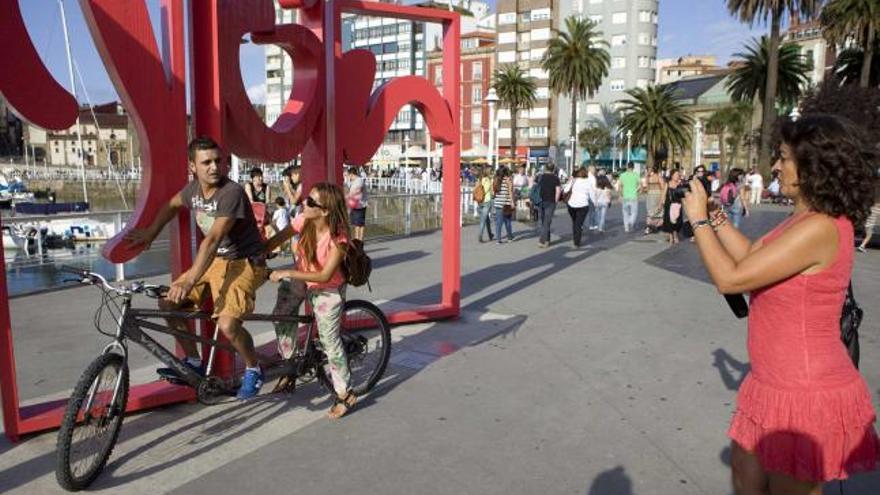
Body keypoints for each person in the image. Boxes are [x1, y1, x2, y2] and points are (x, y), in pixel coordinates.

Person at [682, 114, 879, 495]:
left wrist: (697, 223)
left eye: (783, 158)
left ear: (811, 167)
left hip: (803, 389)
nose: (775, 166)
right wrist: (715, 215)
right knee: (745, 478)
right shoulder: (799, 220)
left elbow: (731, 279)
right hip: (771, 382)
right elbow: (748, 261)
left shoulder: (821, 227)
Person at [125, 137, 267, 399]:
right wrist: (150, 233)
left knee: (227, 325)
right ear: (193, 166)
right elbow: (171, 205)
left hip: (246, 262)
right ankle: (193, 362)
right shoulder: (193, 191)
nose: (214, 167)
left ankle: (253, 367)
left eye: (218, 161)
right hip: (217, 262)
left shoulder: (231, 192)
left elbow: (212, 240)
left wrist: (188, 281)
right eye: (206, 162)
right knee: (169, 303)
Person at [265, 183, 357, 419]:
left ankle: (345, 393)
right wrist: (258, 252)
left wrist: (288, 273)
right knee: (282, 317)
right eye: (307, 199)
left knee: (329, 340)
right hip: (302, 278)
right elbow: (279, 239)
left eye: (312, 202)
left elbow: (325, 275)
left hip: (327, 288)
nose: (305, 203)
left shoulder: (338, 237)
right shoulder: (303, 220)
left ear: (325, 211)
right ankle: (290, 367)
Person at [564, 167, 590, 247]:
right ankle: (577, 242)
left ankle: (576, 238)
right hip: (583, 205)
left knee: (575, 222)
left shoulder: (574, 180)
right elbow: (591, 193)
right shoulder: (588, 182)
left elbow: (565, 190)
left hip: (572, 204)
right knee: (579, 223)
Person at [537, 162, 561, 247]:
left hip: (541, 201)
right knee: (547, 222)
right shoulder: (556, 178)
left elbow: (536, 187)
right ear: (553, 169)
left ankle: (545, 240)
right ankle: (544, 240)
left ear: (546, 168)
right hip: (551, 202)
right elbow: (558, 191)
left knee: (544, 221)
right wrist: (556, 201)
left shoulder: (540, 177)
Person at [660, 169, 684, 244]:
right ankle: (671, 237)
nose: (677, 176)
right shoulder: (667, 183)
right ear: (672, 175)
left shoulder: (680, 184)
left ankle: (675, 235)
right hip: (669, 204)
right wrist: (662, 203)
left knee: (677, 221)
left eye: (678, 175)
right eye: (676, 175)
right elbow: (663, 194)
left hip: (677, 204)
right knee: (669, 221)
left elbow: (683, 195)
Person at [492, 166, 515, 243]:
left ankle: (498, 239)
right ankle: (509, 237)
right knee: (507, 221)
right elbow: (510, 192)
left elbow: (493, 192)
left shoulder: (496, 180)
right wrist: (512, 202)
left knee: (498, 222)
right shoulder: (508, 179)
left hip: (498, 203)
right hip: (506, 204)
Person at [346, 166, 368, 241]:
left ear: (351, 174)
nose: (348, 177)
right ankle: (358, 240)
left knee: (358, 224)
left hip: (359, 205)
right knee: (358, 224)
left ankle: (358, 239)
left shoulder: (359, 181)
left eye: (348, 175)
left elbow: (357, 191)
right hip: (358, 205)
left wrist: (347, 196)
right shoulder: (355, 181)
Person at [618, 162, 640, 233]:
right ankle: (631, 221)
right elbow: (641, 185)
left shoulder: (622, 175)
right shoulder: (636, 175)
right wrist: (638, 191)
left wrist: (620, 195)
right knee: (634, 212)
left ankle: (626, 228)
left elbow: (620, 186)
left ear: (627, 167)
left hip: (625, 196)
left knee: (625, 213)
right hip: (633, 196)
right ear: (633, 167)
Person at [644, 166, 664, 235]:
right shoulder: (659, 177)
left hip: (650, 196)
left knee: (650, 211)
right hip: (657, 195)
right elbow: (662, 188)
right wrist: (662, 198)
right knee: (658, 211)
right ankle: (656, 225)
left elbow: (646, 189)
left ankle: (649, 227)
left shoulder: (649, 178)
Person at [477, 166, 495, 242]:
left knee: (487, 219)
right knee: (483, 220)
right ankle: (480, 236)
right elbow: (490, 191)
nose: (492, 172)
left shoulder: (479, 179)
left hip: (480, 201)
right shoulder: (487, 180)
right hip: (487, 201)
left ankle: (490, 234)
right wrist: (491, 184)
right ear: (488, 172)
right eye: (491, 171)